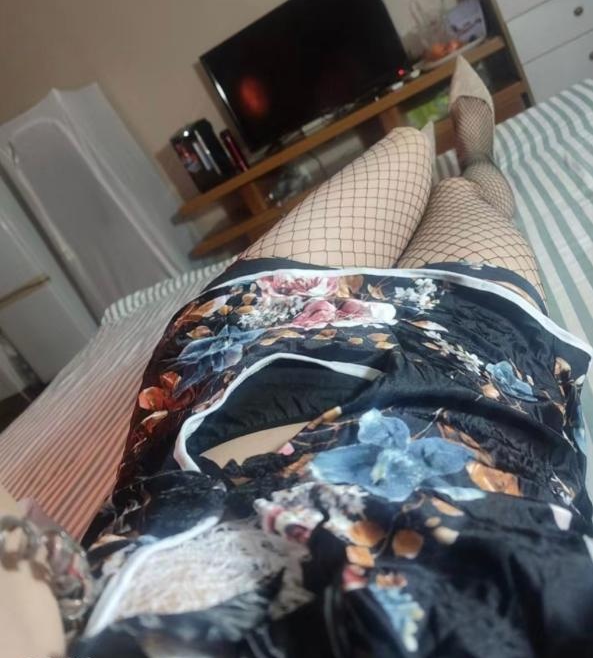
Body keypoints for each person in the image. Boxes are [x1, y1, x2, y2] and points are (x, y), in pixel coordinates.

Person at [2, 58, 592, 657]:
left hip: (238, 363)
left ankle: (438, 140)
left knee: (406, 147)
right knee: (464, 195)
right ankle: (477, 156)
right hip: (462, 385)